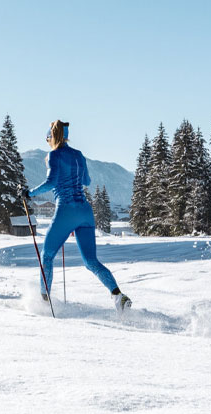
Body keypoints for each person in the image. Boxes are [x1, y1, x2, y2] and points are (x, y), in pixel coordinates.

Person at [25, 120, 131, 313]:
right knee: (91, 261)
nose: (47, 142)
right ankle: (118, 296)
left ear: (51, 137)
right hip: (85, 212)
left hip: (66, 210)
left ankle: (43, 303)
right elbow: (87, 181)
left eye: (47, 138)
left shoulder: (53, 155)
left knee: (47, 256)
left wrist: (29, 193)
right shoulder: (79, 156)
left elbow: (51, 182)